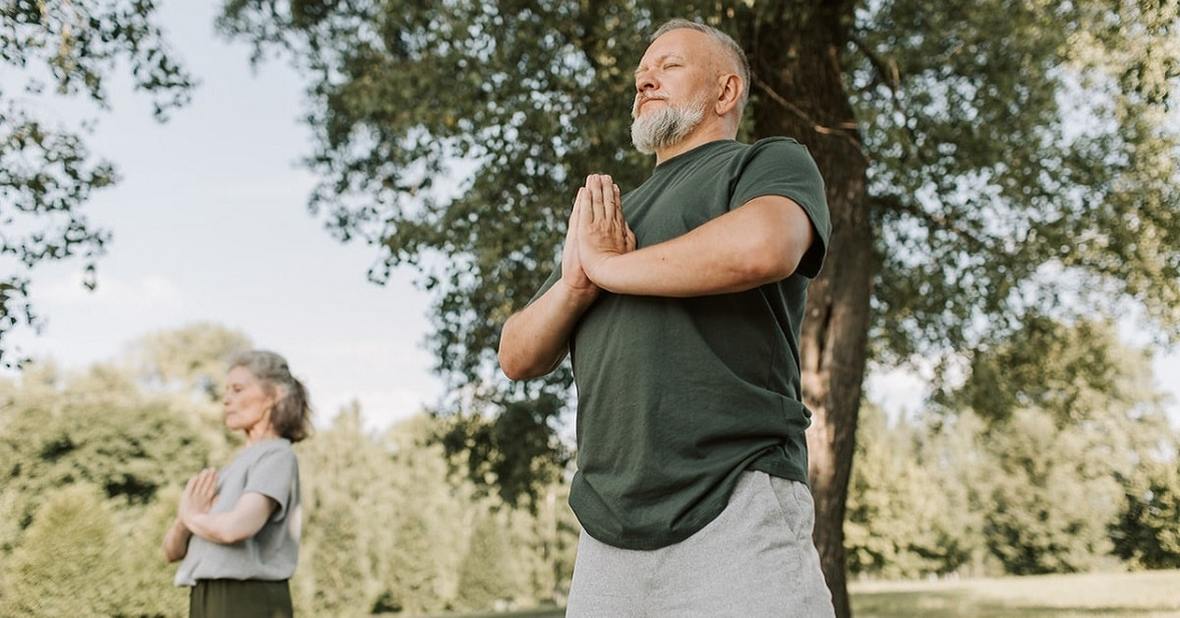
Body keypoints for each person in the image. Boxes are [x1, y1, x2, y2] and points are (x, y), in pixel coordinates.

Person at [498, 18, 836, 617]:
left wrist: (609, 268)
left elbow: (765, 246)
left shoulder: (765, 163)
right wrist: (577, 282)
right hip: (606, 530)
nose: (645, 80)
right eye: (641, 72)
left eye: (669, 66)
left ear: (726, 92)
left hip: (737, 501)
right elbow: (517, 355)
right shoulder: (611, 219)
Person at [162, 350, 310, 618]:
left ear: (273, 396)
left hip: (248, 599)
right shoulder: (231, 468)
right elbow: (172, 552)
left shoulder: (277, 456)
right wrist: (186, 520)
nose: (226, 399)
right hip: (205, 596)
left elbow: (236, 528)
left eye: (238, 389)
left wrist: (191, 516)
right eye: (226, 390)